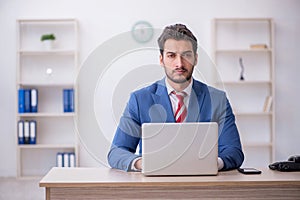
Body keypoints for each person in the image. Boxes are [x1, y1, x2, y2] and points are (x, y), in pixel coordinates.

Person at [107, 24, 244, 171]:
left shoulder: (218, 100)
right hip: (154, 186)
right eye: (171, 55)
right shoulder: (140, 100)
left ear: (196, 59)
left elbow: (234, 151)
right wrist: (143, 164)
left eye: (186, 55)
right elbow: (116, 152)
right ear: (161, 59)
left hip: (203, 184)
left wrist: (211, 164)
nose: (179, 63)